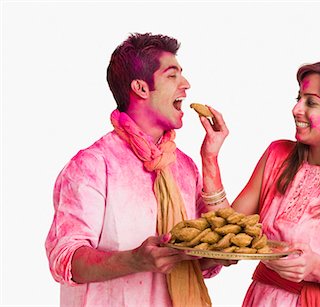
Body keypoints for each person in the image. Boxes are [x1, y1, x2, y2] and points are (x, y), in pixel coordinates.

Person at [45, 32, 231, 307]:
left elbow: (212, 247)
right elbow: (66, 260)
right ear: (141, 88)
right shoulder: (93, 165)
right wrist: (134, 259)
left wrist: (211, 159)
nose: (186, 84)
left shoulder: (184, 167)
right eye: (172, 75)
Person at [208, 60, 320, 306]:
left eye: (311, 102)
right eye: (298, 98)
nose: (296, 109)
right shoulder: (277, 154)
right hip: (262, 298)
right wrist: (210, 158)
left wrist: (318, 268)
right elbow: (227, 231)